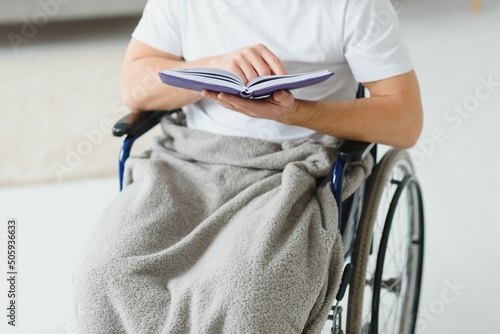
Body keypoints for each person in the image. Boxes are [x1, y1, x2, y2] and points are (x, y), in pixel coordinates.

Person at [73, 0, 422, 333]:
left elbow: (405, 120)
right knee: (104, 273)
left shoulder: (356, 6)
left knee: (249, 296)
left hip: (296, 169)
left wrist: (295, 112)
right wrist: (212, 68)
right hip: (188, 159)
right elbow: (134, 85)